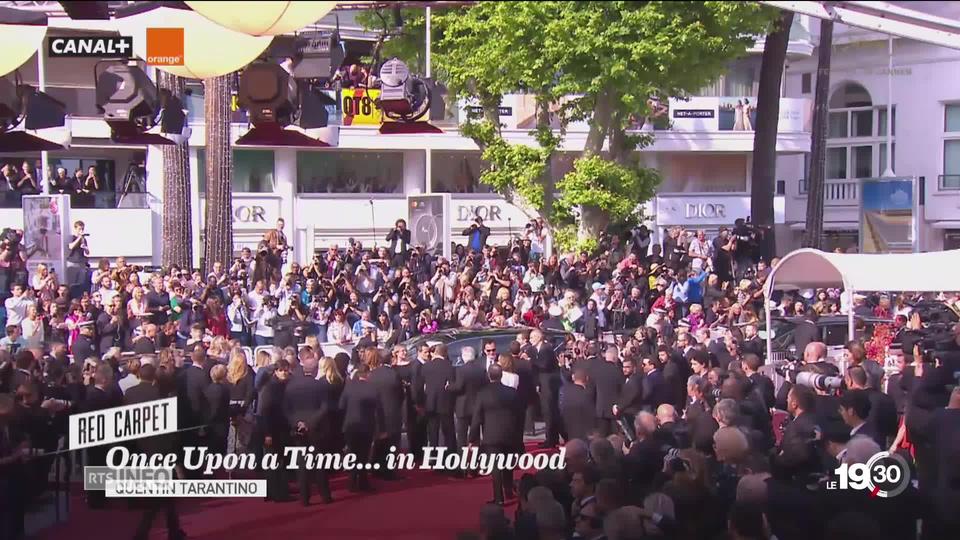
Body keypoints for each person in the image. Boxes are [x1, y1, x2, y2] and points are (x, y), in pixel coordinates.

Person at [284, 355, 333, 504]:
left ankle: (304, 498)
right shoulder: (320, 386)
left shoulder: (290, 386)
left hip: (298, 428)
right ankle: (325, 496)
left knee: (301, 464)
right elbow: (325, 408)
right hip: (316, 428)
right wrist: (310, 423)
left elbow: (285, 409)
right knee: (319, 463)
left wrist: (297, 423)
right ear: (316, 370)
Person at [470, 364, 522, 505]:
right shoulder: (512, 392)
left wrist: (472, 438)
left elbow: (477, 417)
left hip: (491, 435)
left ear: (489, 376)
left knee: (496, 467)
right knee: (507, 464)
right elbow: (520, 415)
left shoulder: (483, 393)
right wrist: (519, 434)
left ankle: (499, 498)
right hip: (510, 432)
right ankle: (509, 491)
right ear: (501, 375)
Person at [339, 364, 383, 492]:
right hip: (366, 425)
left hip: (350, 425)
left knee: (352, 453)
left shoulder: (348, 387)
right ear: (368, 374)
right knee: (363, 455)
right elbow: (378, 409)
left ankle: (352, 482)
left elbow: (341, 406)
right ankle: (363, 482)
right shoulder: (373, 388)